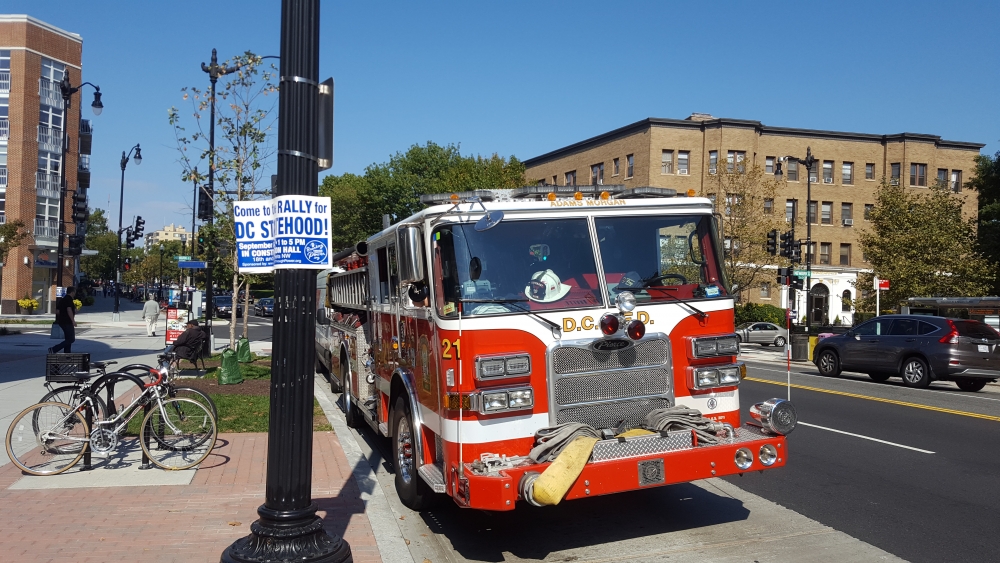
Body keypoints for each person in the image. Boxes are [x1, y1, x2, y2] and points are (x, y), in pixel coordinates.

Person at [49, 287, 78, 354]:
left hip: (61, 321)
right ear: (72, 292)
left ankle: (67, 353)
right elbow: (69, 310)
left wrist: (62, 314)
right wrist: (73, 321)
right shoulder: (69, 299)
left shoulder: (62, 300)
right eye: (74, 292)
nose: (74, 294)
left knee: (68, 339)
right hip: (67, 322)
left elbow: (57, 311)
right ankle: (54, 349)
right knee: (71, 339)